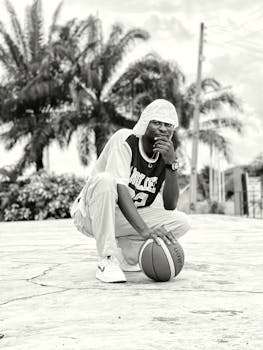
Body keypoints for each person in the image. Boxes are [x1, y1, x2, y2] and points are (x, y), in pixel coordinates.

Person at [71, 99, 190, 283]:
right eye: (156, 122)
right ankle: (107, 260)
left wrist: (171, 165)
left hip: (120, 220)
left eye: (167, 125)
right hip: (90, 215)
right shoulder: (126, 139)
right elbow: (120, 188)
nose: (162, 128)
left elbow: (170, 205)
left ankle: (129, 255)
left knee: (181, 222)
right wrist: (144, 231)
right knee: (106, 180)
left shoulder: (165, 155)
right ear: (145, 123)